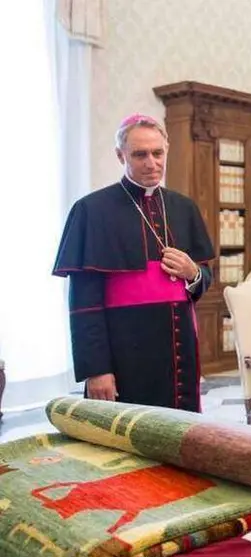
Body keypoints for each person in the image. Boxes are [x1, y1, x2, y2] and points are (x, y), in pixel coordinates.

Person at [52, 114, 214, 411]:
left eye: (158, 153)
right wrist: (96, 369)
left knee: (182, 436)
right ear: (120, 155)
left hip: (179, 352)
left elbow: (205, 277)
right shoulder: (92, 210)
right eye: (140, 155)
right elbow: (83, 304)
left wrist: (193, 273)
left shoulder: (183, 207)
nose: (151, 163)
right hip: (124, 352)